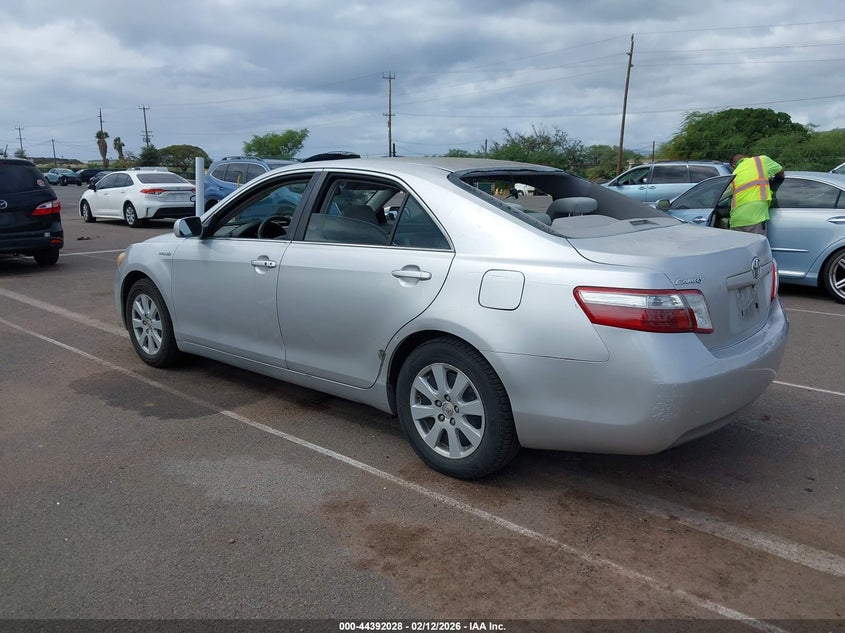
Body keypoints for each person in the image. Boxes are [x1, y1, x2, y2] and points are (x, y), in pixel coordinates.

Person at [728, 153, 784, 235]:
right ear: (747, 157)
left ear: (733, 165)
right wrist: (775, 180)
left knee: (739, 247)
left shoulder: (733, 175)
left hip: (736, 220)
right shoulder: (761, 160)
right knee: (756, 247)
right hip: (755, 216)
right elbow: (781, 172)